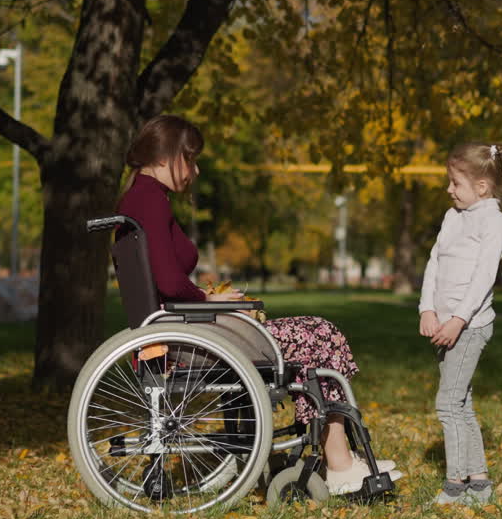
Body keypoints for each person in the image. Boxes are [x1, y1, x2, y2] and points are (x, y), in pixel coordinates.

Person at [116, 115, 402, 495]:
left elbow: (165, 282)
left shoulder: (141, 197)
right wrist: (210, 300)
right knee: (320, 335)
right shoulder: (150, 199)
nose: (196, 170)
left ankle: (341, 459)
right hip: (186, 338)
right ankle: (339, 463)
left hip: (183, 331)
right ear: (170, 156)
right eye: (192, 159)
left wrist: (215, 303)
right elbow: (168, 282)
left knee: (316, 334)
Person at [418, 142, 502, 506]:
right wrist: (427, 309)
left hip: (469, 327)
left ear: (481, 187)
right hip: (444, 325)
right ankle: (479, 483)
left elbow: (482, 279)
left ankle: (455, 485)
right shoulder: (454, 217)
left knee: (447, 404)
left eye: (455, 183)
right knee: (461, 403)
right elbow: (435, 261)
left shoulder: (493, 222)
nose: (449, 190)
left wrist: (459, 321)